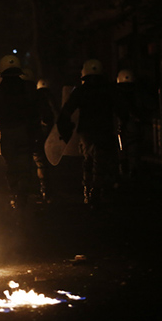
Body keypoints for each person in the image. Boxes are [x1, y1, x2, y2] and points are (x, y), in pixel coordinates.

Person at [57, 59, 123, 210]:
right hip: (105, 131)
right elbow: (121, 109)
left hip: (87, 133)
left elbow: (66, 112)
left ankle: (89, 191)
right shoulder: (109, 90)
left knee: (89, 160)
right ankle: (98, 190)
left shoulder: (81, 91)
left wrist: (64, 129)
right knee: (102, 161)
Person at [0, 55, 40, 211]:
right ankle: (23, 196)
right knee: (25, 165)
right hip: (26, 132)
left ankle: (16, 196)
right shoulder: (30, 88)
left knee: (12, 165)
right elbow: (40, 108)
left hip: (8, 133)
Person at [115, 69, 154, 179]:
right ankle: (131, 169)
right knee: (130, 148)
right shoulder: (135, 94)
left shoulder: (120, 94)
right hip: (128, 125)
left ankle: (130, 170)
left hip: (128, 125)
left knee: (128, 148)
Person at [34, 78, 59, 202]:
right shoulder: (50, 97)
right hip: (49, 134)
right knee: (46, 163)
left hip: (37, 135)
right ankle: (47, 192)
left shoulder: (33, 98)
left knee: (40, 162)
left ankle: (43, 191)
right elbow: (56, 112)